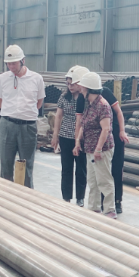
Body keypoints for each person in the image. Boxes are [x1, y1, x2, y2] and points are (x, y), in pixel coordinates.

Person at [75, 70, 129, 213]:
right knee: (93, 182)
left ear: (89, 88)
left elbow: (106, 129)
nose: (80, 89)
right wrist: (78, 141)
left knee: (104, 180)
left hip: (102, 149)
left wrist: (98, 149)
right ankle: (94, 209)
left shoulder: (103, 105)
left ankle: (110, 210)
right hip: (90, 148)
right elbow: (83, 123)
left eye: (82, 87)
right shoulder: (89, 103)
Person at [0, 45, 45, 188]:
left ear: (23, 61)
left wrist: (24, 113)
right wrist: (12, 113)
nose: (11, 67)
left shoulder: (36, 79)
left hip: (28, 127)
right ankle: (6, 195)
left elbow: (39, 103)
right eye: (8, 64)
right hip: (7, 125)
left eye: (14, 63)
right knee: (6, 164)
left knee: (27, 165)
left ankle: (26, 196)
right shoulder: (2, 79)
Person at [51, 66, 87, 206]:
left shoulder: (86, 98)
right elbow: (59, 116)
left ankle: (80, 197)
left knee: (81, 169)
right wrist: (55, 135)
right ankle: (66, 197)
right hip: (66, 136)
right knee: (66, 168)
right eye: (68, 84)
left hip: (81, 138)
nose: (70, 86)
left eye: (72, 84)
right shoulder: (64, 97)